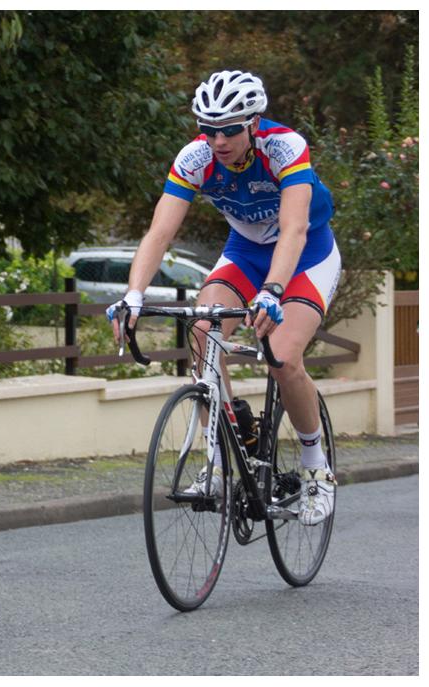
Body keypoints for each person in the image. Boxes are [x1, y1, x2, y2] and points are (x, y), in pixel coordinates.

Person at [106, 70, 340, 526]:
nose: (218, 140)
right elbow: (160, 233)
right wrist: (133, 294)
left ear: (253, 123)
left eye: (230, 129)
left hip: (306, 254)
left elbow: (294, 228)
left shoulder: (284, 147)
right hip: (246, 252)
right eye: (208, 129)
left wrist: (272, 291)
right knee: (201, 332)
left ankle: (316, 467)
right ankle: (220, 457)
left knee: (281, 356)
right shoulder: (195, 158)